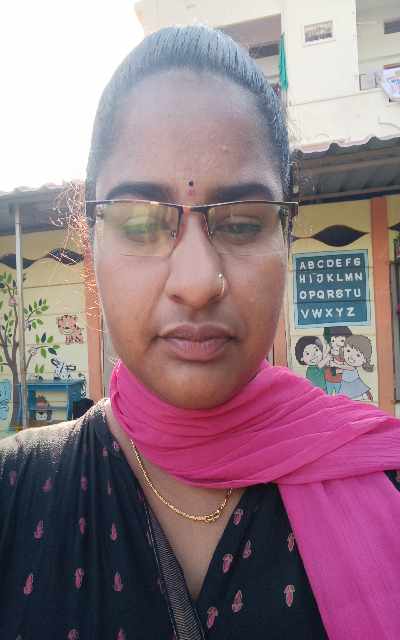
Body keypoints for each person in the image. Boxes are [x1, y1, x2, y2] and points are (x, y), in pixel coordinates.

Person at [0, 26, 399, 640]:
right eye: (139, 224)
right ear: (90, 240)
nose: (196, 282)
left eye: (241, 223)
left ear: (287, 237)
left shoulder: (384, 487)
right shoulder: (14, 497)